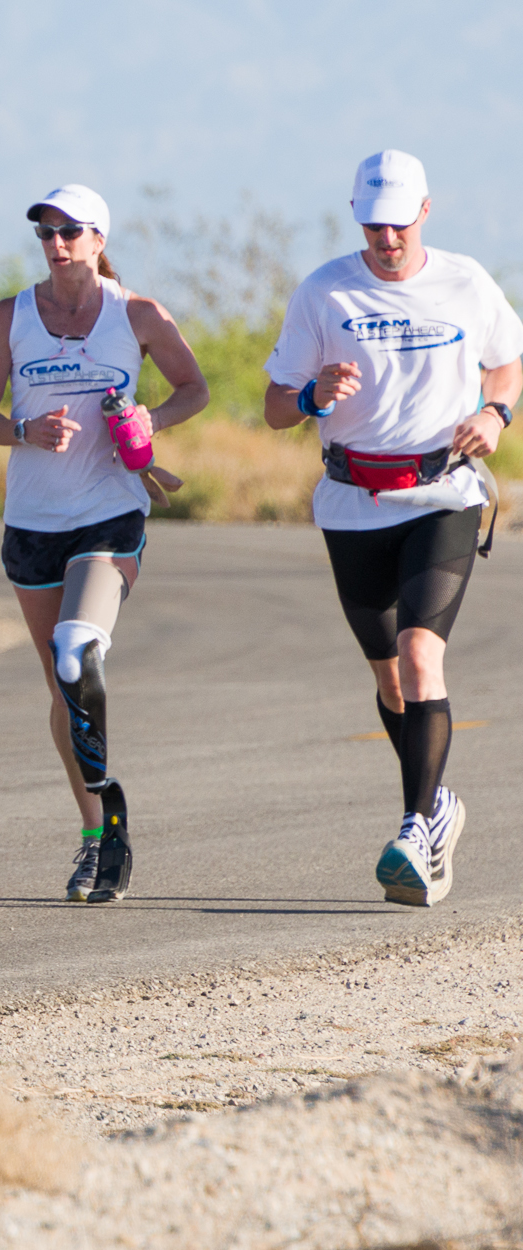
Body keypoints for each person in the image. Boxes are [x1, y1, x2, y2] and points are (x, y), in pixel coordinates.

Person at [264, 150, 522, 907]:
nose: (385, 240)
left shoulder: (465, 282)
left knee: (418, 654)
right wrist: (310, 396)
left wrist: (493, 412)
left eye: (397, 225)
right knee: (388, 677)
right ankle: (438, 804)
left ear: (424, 213)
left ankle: (415, 829)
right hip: (351, 503)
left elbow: (507, 363)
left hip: (442, 493)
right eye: (372, 226)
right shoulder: (323, 293)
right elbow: (274, 405)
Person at [0, 184, 206, 904]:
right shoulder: (11, 315)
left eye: (69, 230)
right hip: (31, 520)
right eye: (44, 231)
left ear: (97, 239)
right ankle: (95, 832)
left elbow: (193, 387)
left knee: (76, 649)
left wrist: (147, 421)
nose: (55, 242)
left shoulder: (134, 313)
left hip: (110, 511)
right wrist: (20, 430)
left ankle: (113, 817)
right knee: (58, 687)